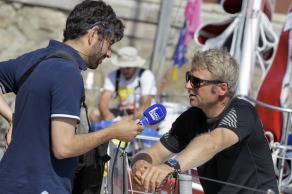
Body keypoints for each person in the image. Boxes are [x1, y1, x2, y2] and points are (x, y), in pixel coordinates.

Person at [0, 1, 144, 193]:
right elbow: (64, 147)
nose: (109, 53)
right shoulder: (68, 74)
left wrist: (12, 118)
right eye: (109, 43)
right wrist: (113, 131)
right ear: (93, 34)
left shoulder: (35, 58)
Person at [131, 48, 279, 194]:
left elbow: (213, 142)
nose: (188, 85)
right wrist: (140, 164)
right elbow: (155, 152)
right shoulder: (192, 117)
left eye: (196, 82)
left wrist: (171, 167)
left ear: (222, 89)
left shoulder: (242, 111)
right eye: (189, 77)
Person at [96, 46, 157, 121]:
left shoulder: (146, 75)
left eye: (128, 67)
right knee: (95, 114)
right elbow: (104, 99)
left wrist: (129, 119)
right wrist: (107, 115)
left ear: (134, 65)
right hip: (123, 112)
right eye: (122, 66)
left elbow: (146, 105)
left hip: (143, 114)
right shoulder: (113, 75)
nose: (124, 70)